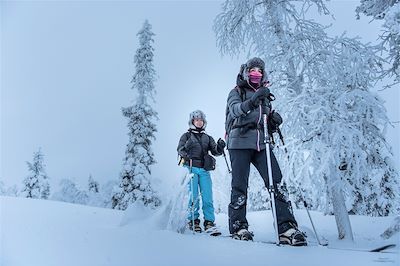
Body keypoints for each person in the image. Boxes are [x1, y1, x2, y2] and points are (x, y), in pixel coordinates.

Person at [225, 57, 307, 246]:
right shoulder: (235, 92)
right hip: (239, 143)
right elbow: (236, 110)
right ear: (246, 72)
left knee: (277, 182)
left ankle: (286, 228)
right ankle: (239, 227)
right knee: (239, 186)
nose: (256, 74)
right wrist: (253, 101)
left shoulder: (264, 96)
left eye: (259, 71)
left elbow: (263, 121)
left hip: (262, 143)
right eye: (252, 71)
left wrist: (272, 120)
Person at [177, 110, 226, 234]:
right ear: (192, 121)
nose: (199, 122)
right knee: (193, 196)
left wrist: (220, 147)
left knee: (207, 196)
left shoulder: (207, 137)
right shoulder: (186, 136)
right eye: (196, 120)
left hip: (204, 169)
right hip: (191, 168)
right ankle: (194, 221)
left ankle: (209, 222)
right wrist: (187, 146)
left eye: (201, 120)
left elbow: (215, 151)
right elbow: (180, 150)